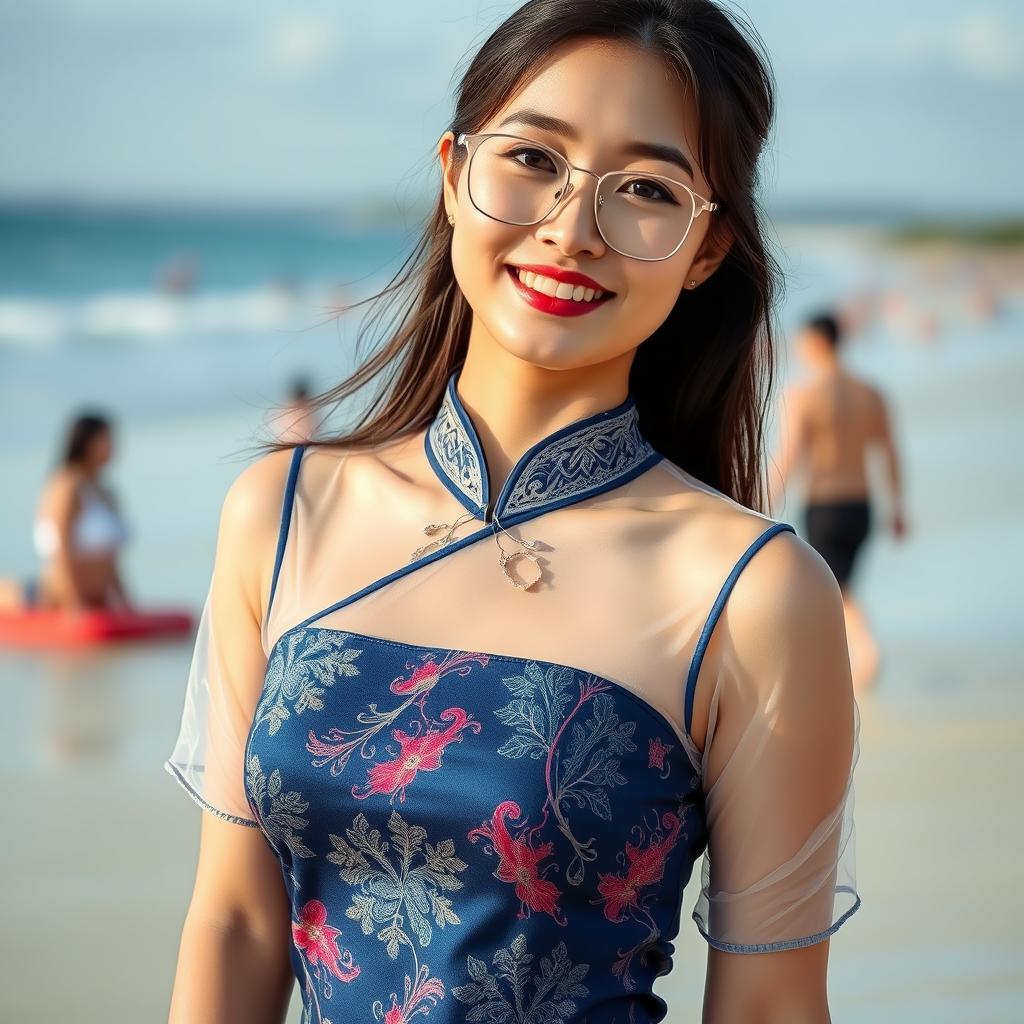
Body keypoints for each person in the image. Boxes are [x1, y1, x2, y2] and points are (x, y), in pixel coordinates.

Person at [163, 4, 861, 1022]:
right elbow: (235, 923)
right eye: (534, 158)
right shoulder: (282, 514)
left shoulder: (751, 592)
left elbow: (771, 1007)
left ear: (706, 249)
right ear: (454, 174)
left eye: (646, 190)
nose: (572, 231)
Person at [771, 311, 907, 692]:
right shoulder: (871, 393)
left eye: (802, 343)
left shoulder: (803, 395)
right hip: (862, 507)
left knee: (837, 589)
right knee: (840, 585)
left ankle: (866, 653)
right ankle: (850, 664)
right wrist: (897, 507)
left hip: (824, 506)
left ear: (816, 343)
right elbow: (889, 452)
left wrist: (761, 500)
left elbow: (789, 455)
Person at [0, 411, 132, 613]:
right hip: (55, 600)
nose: (113, 446)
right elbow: (60, 550)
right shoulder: (66, 485)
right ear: (87, 442)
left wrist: (126, 604)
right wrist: (75, 604)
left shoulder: (105, 491)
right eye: (106, 439)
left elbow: (110, 561)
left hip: (98, 601)